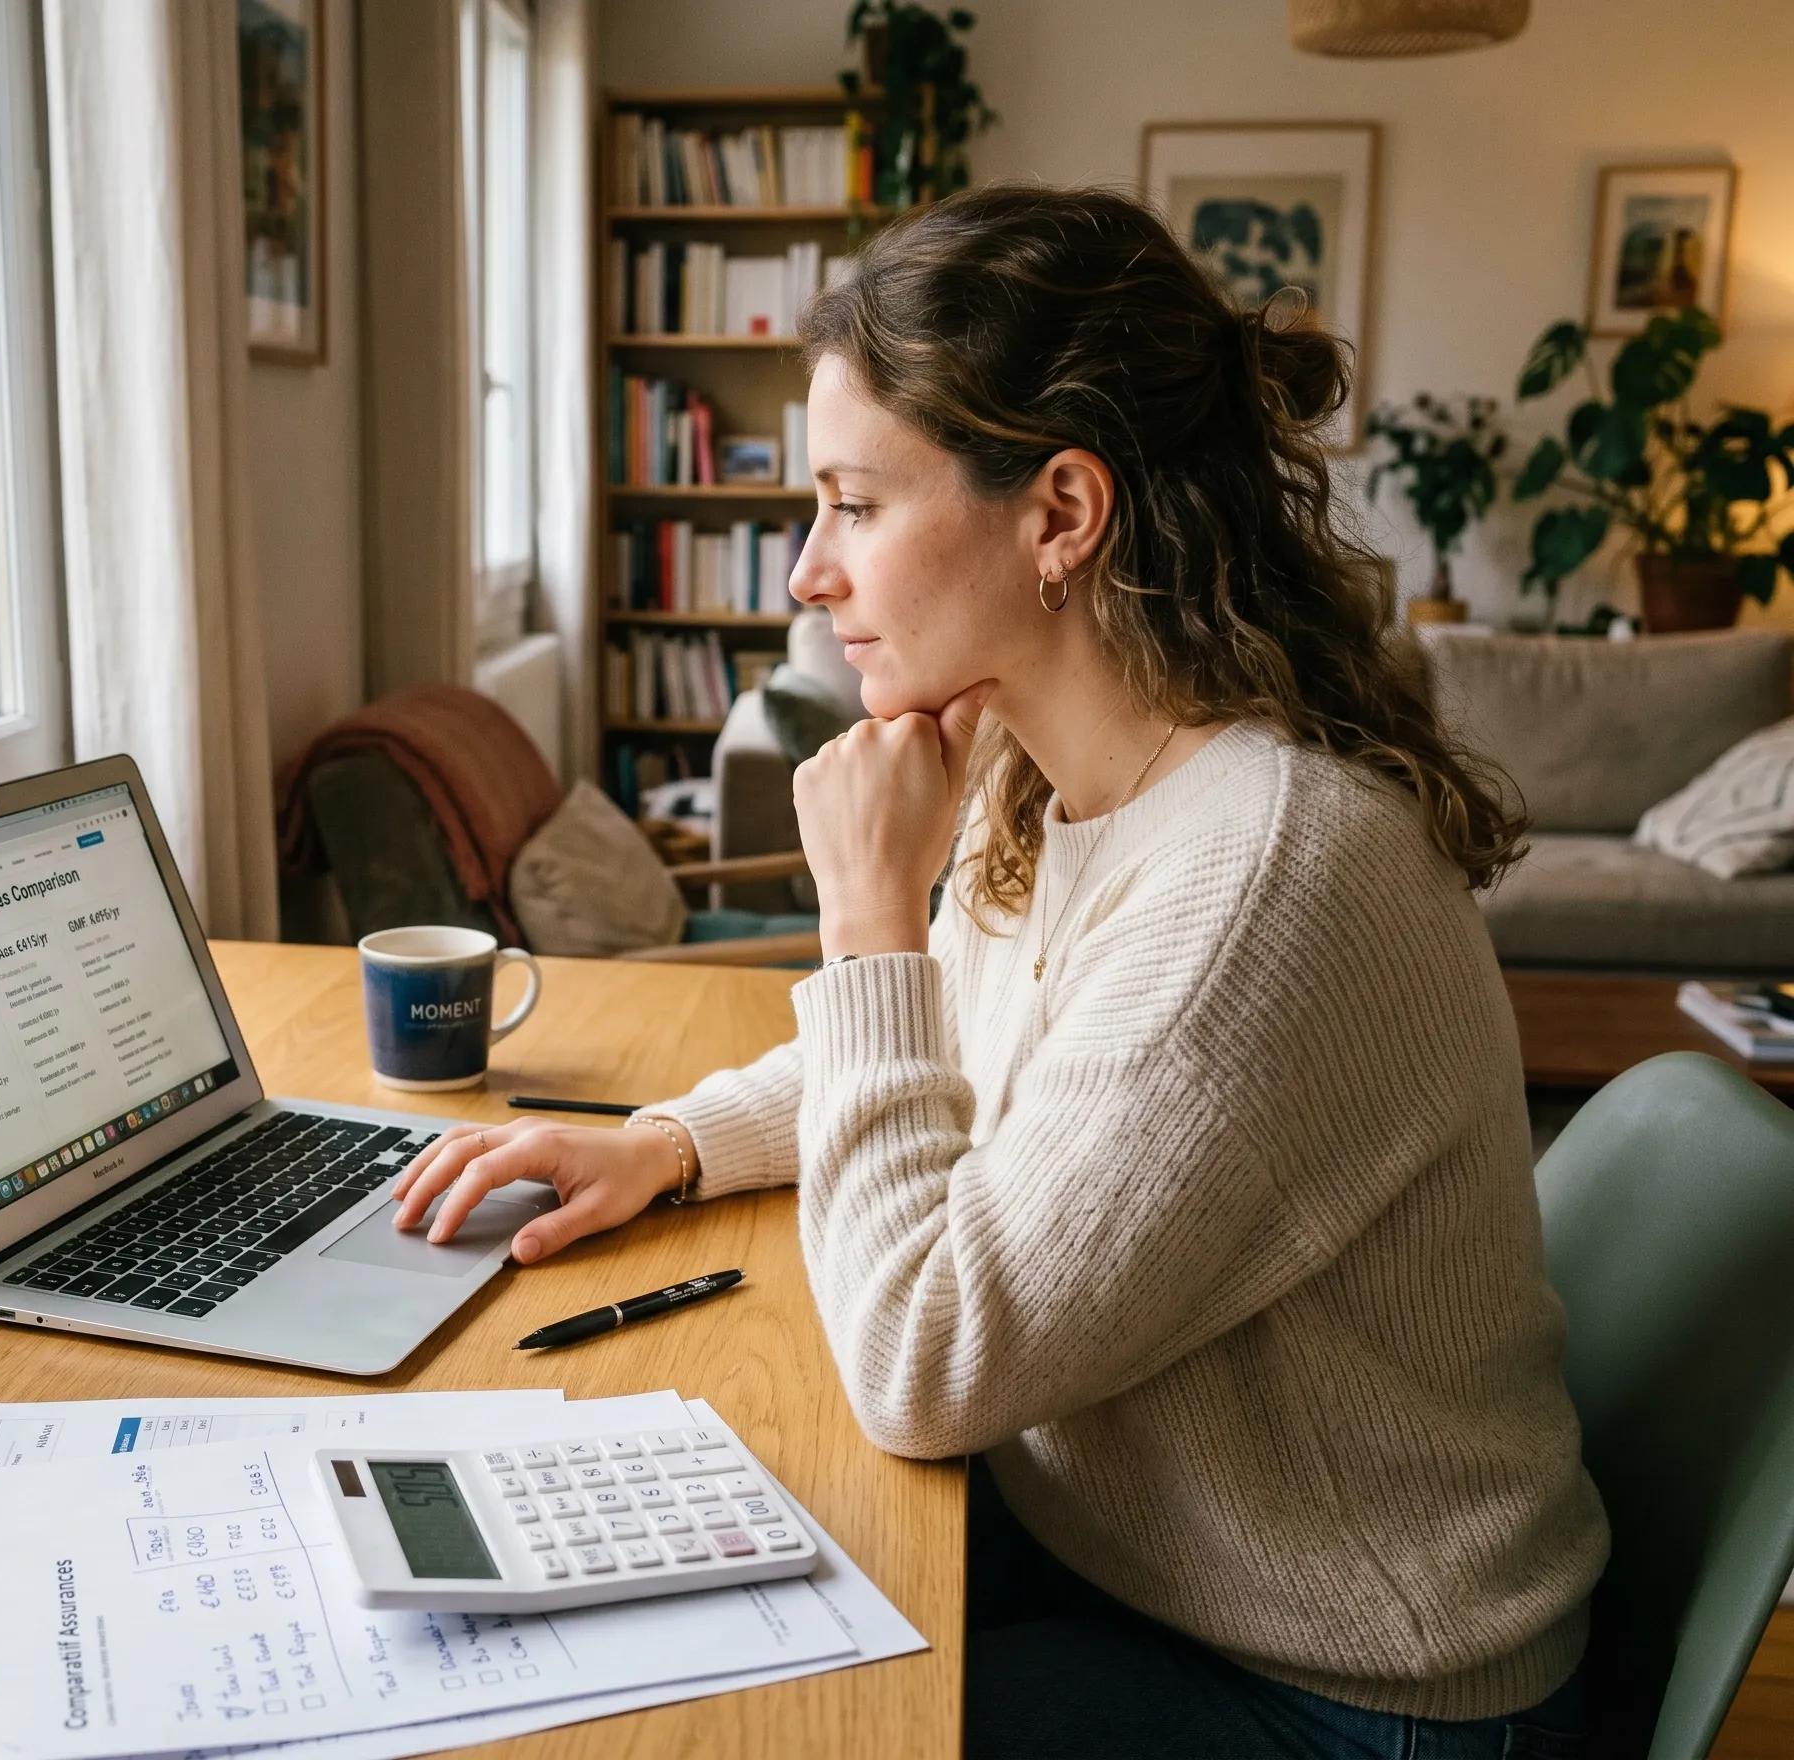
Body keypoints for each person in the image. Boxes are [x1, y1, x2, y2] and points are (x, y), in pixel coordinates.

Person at [390, 185, 1607, 1757]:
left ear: (1061, 514)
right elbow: (953, 1039)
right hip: (1137, 1549)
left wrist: (866, 922)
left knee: (739, 1730)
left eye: (856, 504)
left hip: (1350, 1680)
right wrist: (673, 1143)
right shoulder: (1055, 769)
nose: (804, 575)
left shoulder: (1265, 876)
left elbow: (922, 1359)